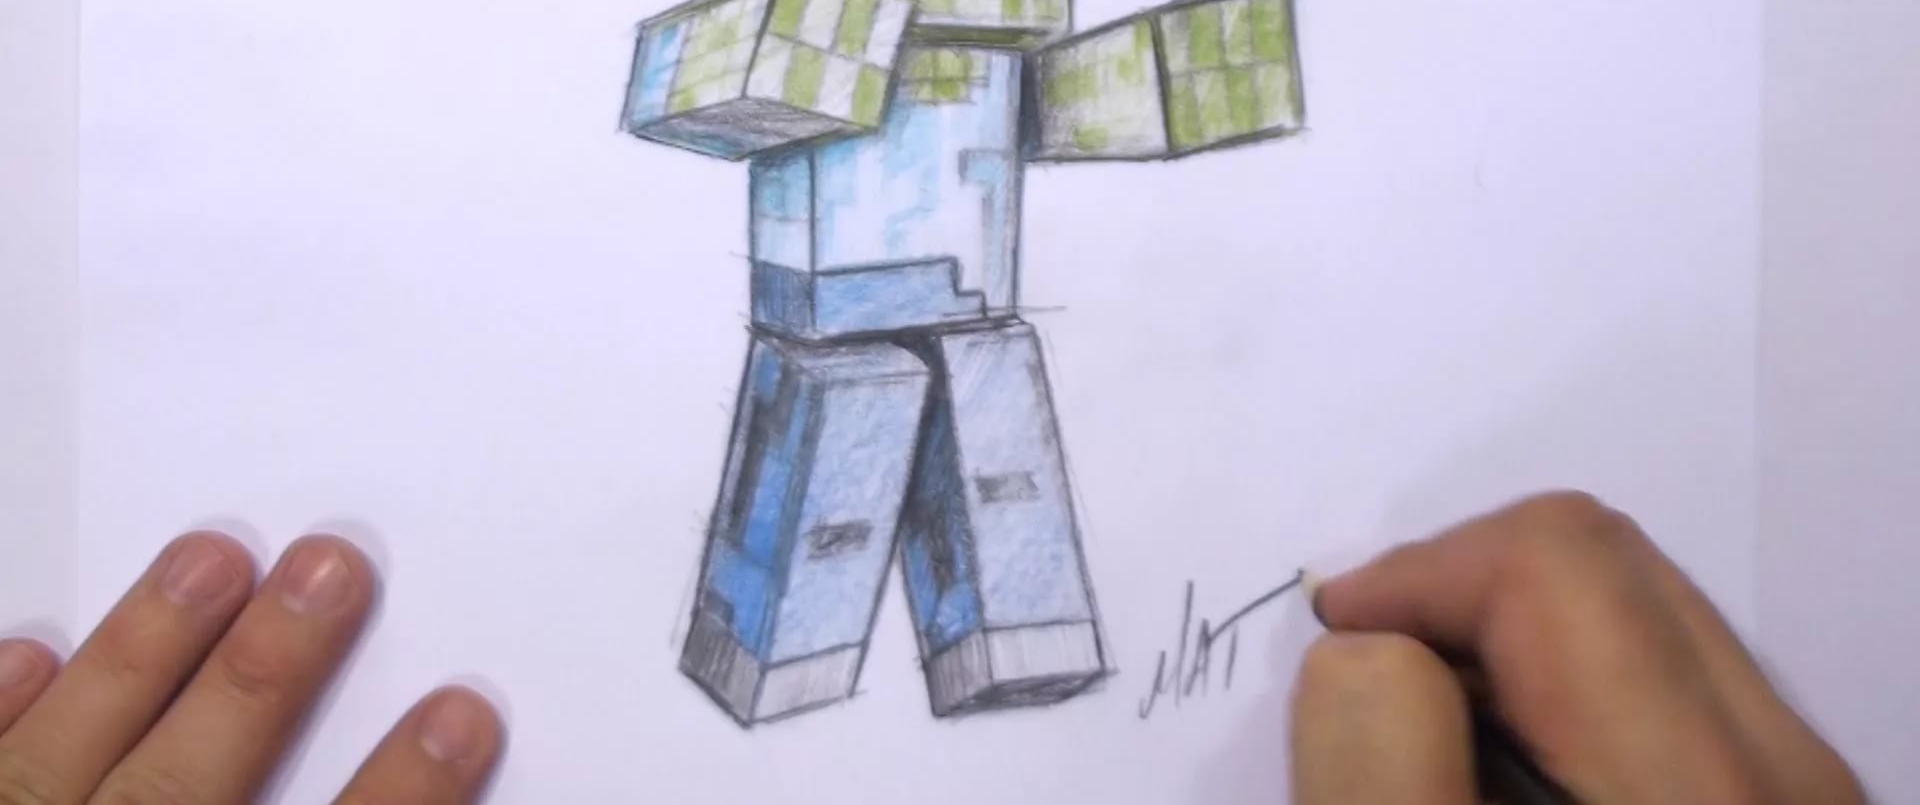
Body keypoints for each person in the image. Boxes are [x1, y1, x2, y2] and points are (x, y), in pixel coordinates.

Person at [0, 493, 1861, 804]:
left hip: (969, 315)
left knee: (997, 478)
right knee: (819, 492)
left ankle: (1011, 649)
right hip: (839, 319)